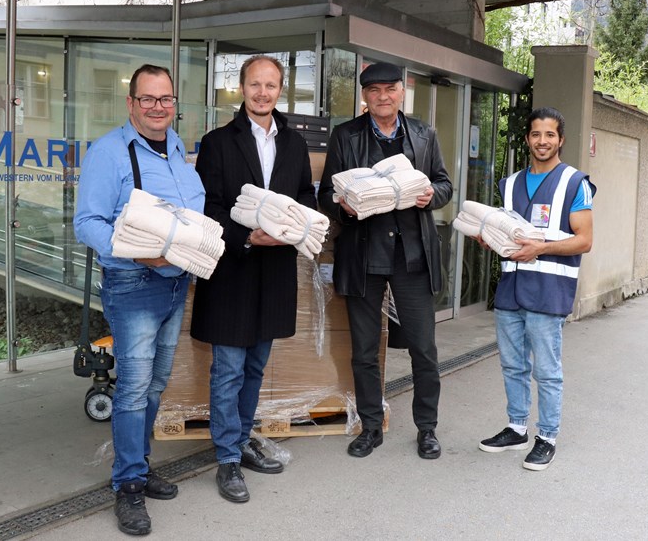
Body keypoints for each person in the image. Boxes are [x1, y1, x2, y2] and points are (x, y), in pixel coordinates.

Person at [73, 64, 205, 536]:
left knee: (155, 383)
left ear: (175, 105)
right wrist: (138, 252)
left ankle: (140, 465)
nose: (157, 107)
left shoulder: (174, 149)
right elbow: (88, 222)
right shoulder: (108, 152)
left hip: (175, 283)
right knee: (131, 387)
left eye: (165, 99)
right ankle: (127, 485)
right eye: (147, 99)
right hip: (132, 285)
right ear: (130, 103)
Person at [190, 55, 316, 503]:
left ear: (281, 89)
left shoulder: (296, 145)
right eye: (255, 85)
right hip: (233, 270)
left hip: (275, 270)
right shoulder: (218, 142)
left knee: (256, 366)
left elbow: (304, 194)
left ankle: (241, 442)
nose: (263, 93)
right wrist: (248, 235)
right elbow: (210, 207)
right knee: (227, 370)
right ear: (240, 88)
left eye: (272, 85)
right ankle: (226, 459)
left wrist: (290, 225)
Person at [318, 62, 453, 460]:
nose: (382, 96)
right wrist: (344, 206)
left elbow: (444, 183)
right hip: (364, 254)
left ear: (402, 92)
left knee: (423, 348)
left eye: (389, 89)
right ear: (364, 96)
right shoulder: (345, 135)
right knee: (364, 349)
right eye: (373, 90)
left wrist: (434, 196)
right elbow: (326, 193)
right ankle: (371, 426)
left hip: (412, 255)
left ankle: (426, 428)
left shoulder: (424, 134)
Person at [476, 106, 595, 471]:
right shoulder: (510, 184)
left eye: (550, 135)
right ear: (527, 138)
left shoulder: (575, 183)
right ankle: (516, 428)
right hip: (511, 288)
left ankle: (546, 436)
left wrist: (540, 248)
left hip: (548, 290)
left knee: (546, 369)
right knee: (512, 364)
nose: (542, 141)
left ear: (560, 140)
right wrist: (491, 239)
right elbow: (509, 230)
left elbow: (584, 241)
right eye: (536, 134)